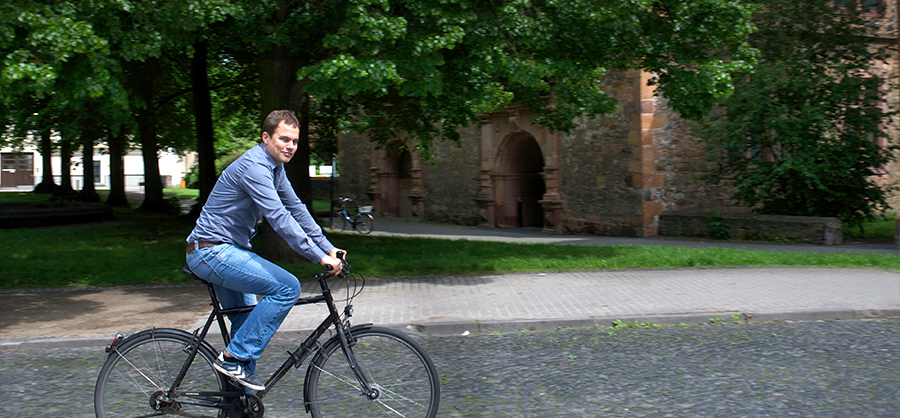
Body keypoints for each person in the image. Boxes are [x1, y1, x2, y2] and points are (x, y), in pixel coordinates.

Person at [186, 109, 344, 391]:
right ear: (266, 137)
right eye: (284, 139)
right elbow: (279, 217)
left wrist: (329, 247)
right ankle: (232, 359)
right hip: (212, 252)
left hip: (226, 252)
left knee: (246, 326)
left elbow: (297, 209)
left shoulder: (275, 168)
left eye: (294, 141)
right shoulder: (255, 167)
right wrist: (317, 256)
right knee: (287, 288)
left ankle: (238, 404)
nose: (290, 146)